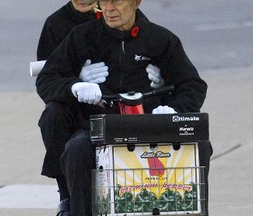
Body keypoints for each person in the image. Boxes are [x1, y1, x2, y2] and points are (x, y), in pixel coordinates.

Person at [36, 0, 212, 215]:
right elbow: (47, 79)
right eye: (104, 2)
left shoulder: (160, 39)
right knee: (75, 149)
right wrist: (75, 86)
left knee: (200, 144)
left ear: (136, 3)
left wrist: (175, 110)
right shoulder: (81, 36)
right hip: (97, 124)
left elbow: (192, 84)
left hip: (148, 123)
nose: (109, 9)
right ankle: (72, 205)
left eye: (117, 2)